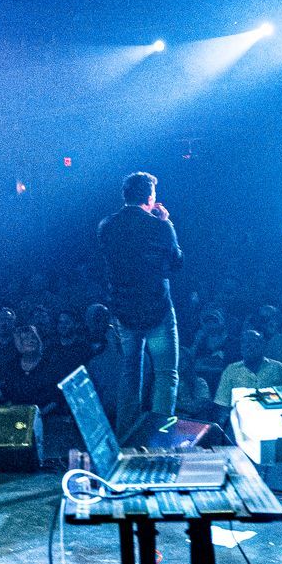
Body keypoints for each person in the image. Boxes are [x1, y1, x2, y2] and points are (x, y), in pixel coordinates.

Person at [97, 171, 184, 438]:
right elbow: (176, 263)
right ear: (149, 197)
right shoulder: (160, 226)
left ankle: (125, 437)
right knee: (166, 374)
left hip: (124, 312)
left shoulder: (106, 226)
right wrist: (166, 222)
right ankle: (159, 438)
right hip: (157, 310)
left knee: (130, 375)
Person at [214, 330, 282, 426]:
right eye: (245, 342)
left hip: (273, 421)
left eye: (254, 341)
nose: (249, 345)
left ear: (263, 345)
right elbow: (223, 403)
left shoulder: (279, 368)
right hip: (242, 422)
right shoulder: (231, 370)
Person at [0, 325, 61, 412]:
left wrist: (40, 414)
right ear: (18, 343)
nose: (30, 341)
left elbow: (56, 398)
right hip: (17, 415)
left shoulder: (49, 365)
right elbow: (5, 394)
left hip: (45, 416)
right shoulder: (11, 366)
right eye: (25, 339)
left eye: (33, 337)